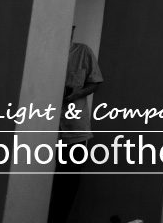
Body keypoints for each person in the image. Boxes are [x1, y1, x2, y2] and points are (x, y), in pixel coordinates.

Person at [50, 26, 103, 223]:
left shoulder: (82, 52)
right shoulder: (48, 52)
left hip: (75, 129)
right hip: (49, 130)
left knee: (69, 180)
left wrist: (75, 95)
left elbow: (95, 82)